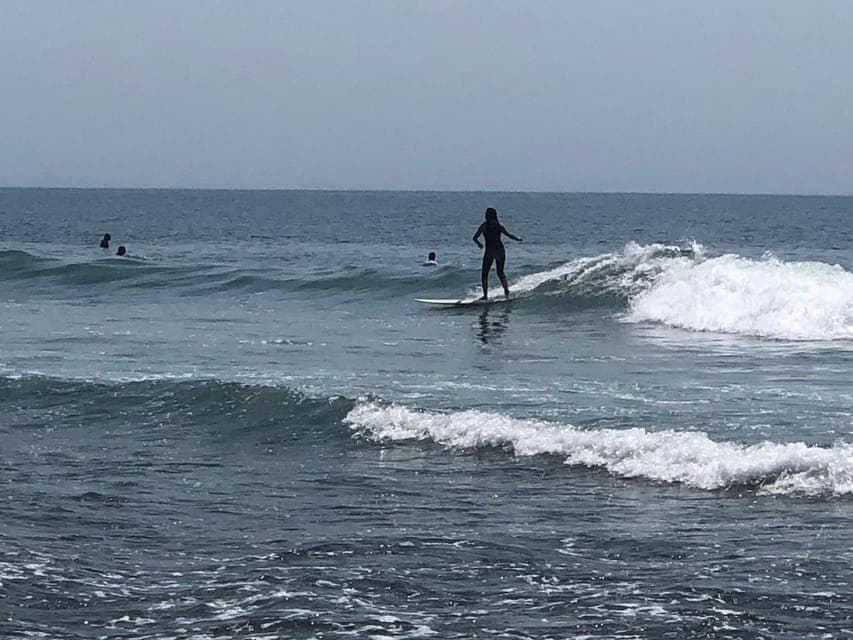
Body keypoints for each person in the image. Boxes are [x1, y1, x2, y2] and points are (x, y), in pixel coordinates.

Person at [472, 207, 522, 300]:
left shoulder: (484, 226)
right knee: (500, 272)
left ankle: (485, 296)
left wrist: (479, 244)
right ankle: (506, 290)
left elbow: (474, 237)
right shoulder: (498, 226)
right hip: (500, 250)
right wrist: (518, 239)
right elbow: (509, 235)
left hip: (490, 251)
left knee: (485, 274)